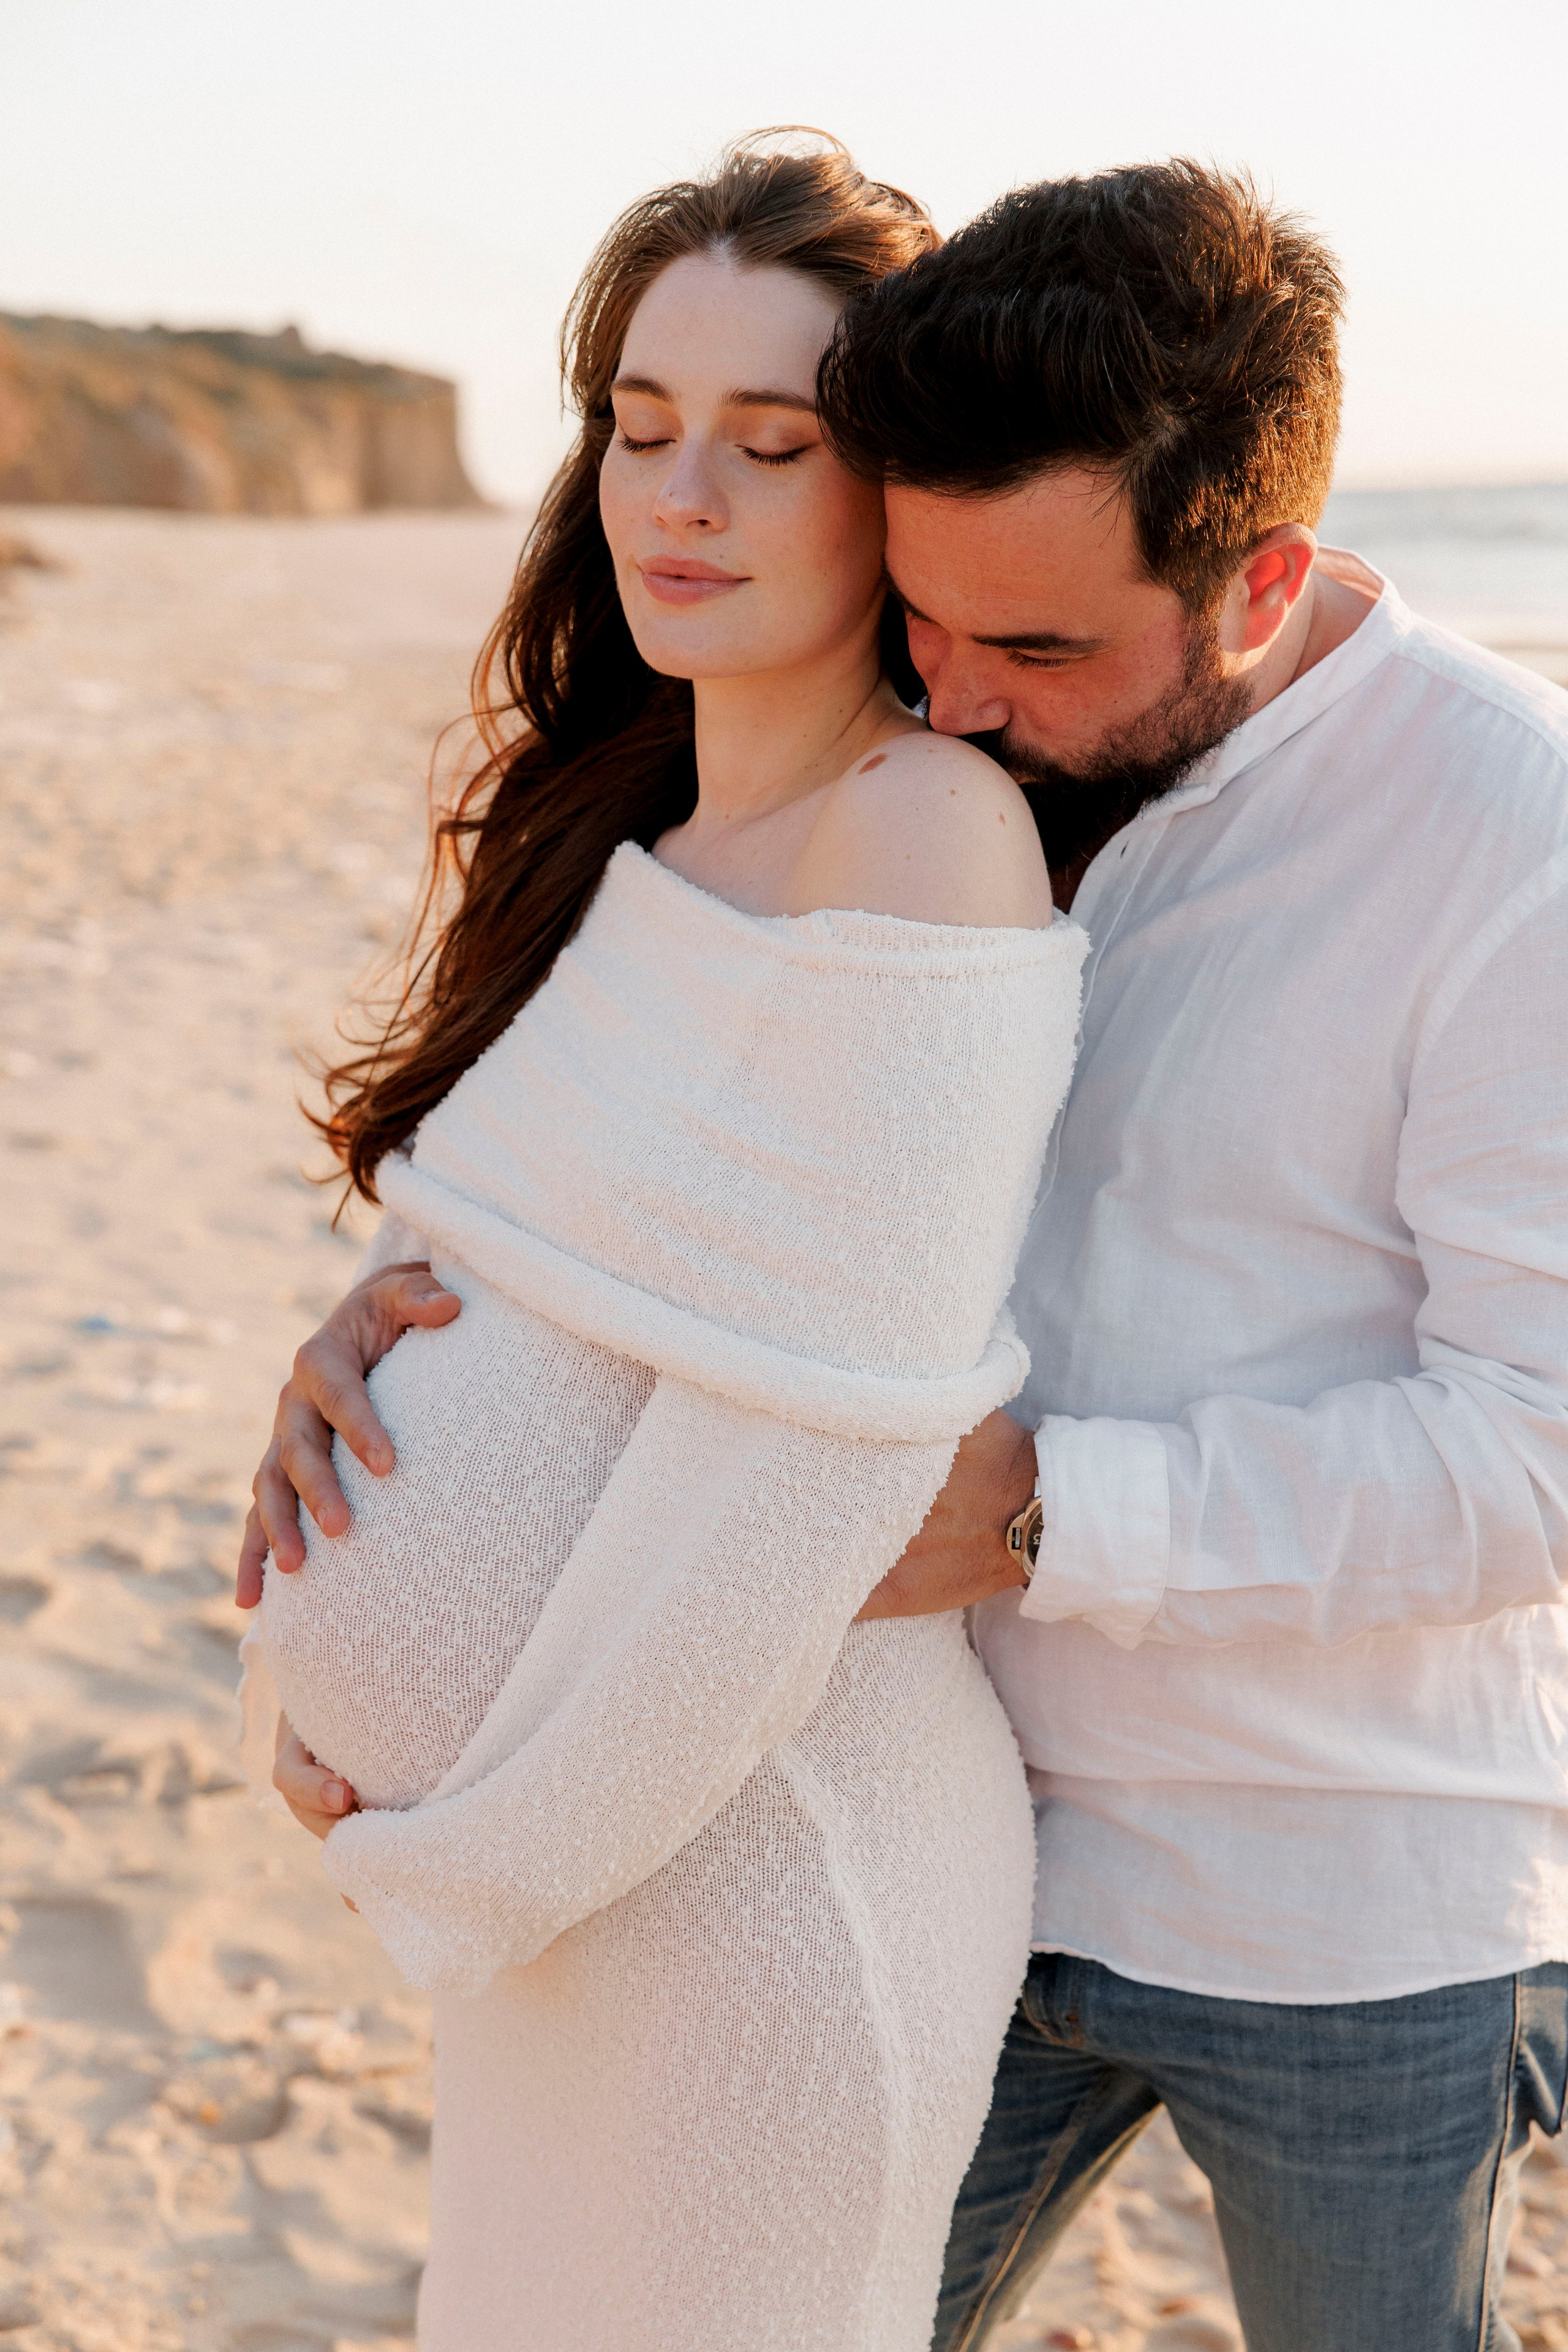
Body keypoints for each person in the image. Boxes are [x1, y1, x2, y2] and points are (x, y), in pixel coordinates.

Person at [253, 158, 1568, 2351]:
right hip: (931, 1794)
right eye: (928, 609)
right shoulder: (960, 746)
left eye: (1031, 642)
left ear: (1258, 585)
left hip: (1334, 1903)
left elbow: (1542, 1452)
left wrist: (1053, 1509)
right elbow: (719, 1191)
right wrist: (398, 1348)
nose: (947, 688)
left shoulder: (1507, 840)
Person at [238, 134, 1088, 2352]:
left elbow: (802, 1489)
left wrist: (447, 1860)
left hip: (757, 1884)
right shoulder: (658, 826)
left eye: (769, 442)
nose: (676, 496)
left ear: (890, 490)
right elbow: (576, 1287)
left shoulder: (920, 836)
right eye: (636, 426)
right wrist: (348, 1367)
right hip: (570, 1891)